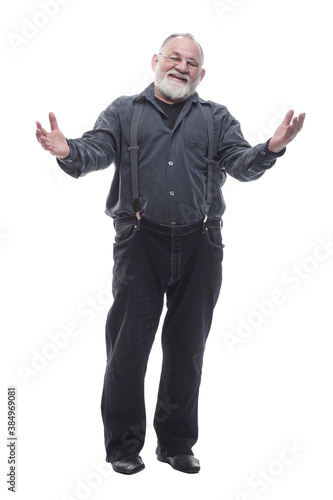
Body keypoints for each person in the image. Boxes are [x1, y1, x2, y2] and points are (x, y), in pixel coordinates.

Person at [36, 33, 305, 475]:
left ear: (201, 74)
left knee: (187, 349)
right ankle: (123, 447)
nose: (182, 66)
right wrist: (69, 152)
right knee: (127, 348)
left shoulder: (217, 118)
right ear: (156, 61)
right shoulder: (125, 111)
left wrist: (270, 149)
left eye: (192, 62)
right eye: (174, 57)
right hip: (139, 242)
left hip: (202, 242)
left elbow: (240, 164)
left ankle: (176, 443)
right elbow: (96, 150)